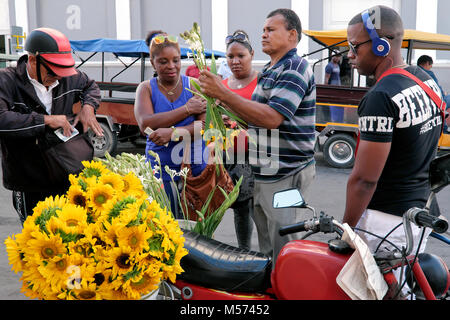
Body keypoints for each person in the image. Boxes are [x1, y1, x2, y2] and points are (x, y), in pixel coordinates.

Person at [199, 8, 316, 264]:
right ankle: (271, 288)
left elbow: (272, 119)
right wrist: (216, 101)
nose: (263, 34)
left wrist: (224, 93)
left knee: (284, 242)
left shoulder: (295, 67)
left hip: (287, 173)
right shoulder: (272, 70)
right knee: (266, 243)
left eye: (271, 30)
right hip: (264, 172)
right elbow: (253, 119)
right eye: (263, 30)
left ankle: (287, 288)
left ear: (292, 35)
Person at [342, 6, 443, 290]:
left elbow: (364, 180)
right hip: (419, 213)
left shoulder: (380, 97)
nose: (350, 54)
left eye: (354, 46)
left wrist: (345, 231)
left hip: (384, 223)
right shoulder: (426, 80)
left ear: (381, 44)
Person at [0, 27, 103, 225]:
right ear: (32, 60)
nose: (58, 76)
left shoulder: (67, 76)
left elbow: (91, 86)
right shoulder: (7, 80)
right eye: (53, 71)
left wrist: (88, 107)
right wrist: (45, 120)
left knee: (70, 235)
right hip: (28, 178)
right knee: (35, 238)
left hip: (65, 174)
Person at [134, 30, 207, 219]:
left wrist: (172, 133)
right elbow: (145, 124)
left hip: (194, 164)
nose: (171, 66)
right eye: (163, 62)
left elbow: (205, 127)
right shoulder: (146, 88)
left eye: (176, 60)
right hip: (160, 163)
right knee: (165, 220)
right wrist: (187, 110)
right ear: (153, 63)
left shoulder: (195, 85)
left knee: (197, 221)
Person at [222, 29, 258, 250]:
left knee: (251, 209)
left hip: (254, 157)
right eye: (230, 56)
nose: (235, 61)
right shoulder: (223, 85)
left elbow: (268, 119)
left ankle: (249, 251)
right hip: (226, 156)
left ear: (252, 54)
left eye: (240, 56)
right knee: (234, 208)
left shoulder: (262, 83)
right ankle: (240, 252)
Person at [417, 55, 450, 132]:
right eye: (430, 65)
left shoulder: (413, 72)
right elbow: (437, 89)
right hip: (435, 100)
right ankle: (444, 130)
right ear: (427, 63)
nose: (430, 67)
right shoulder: (428, 73)